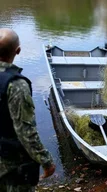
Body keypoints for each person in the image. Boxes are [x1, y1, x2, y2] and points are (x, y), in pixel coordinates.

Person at [0, 28, 56, 191]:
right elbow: (25, 130)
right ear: (18, 51)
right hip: (10, 166)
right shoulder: (16, 85)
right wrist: (46, 161)